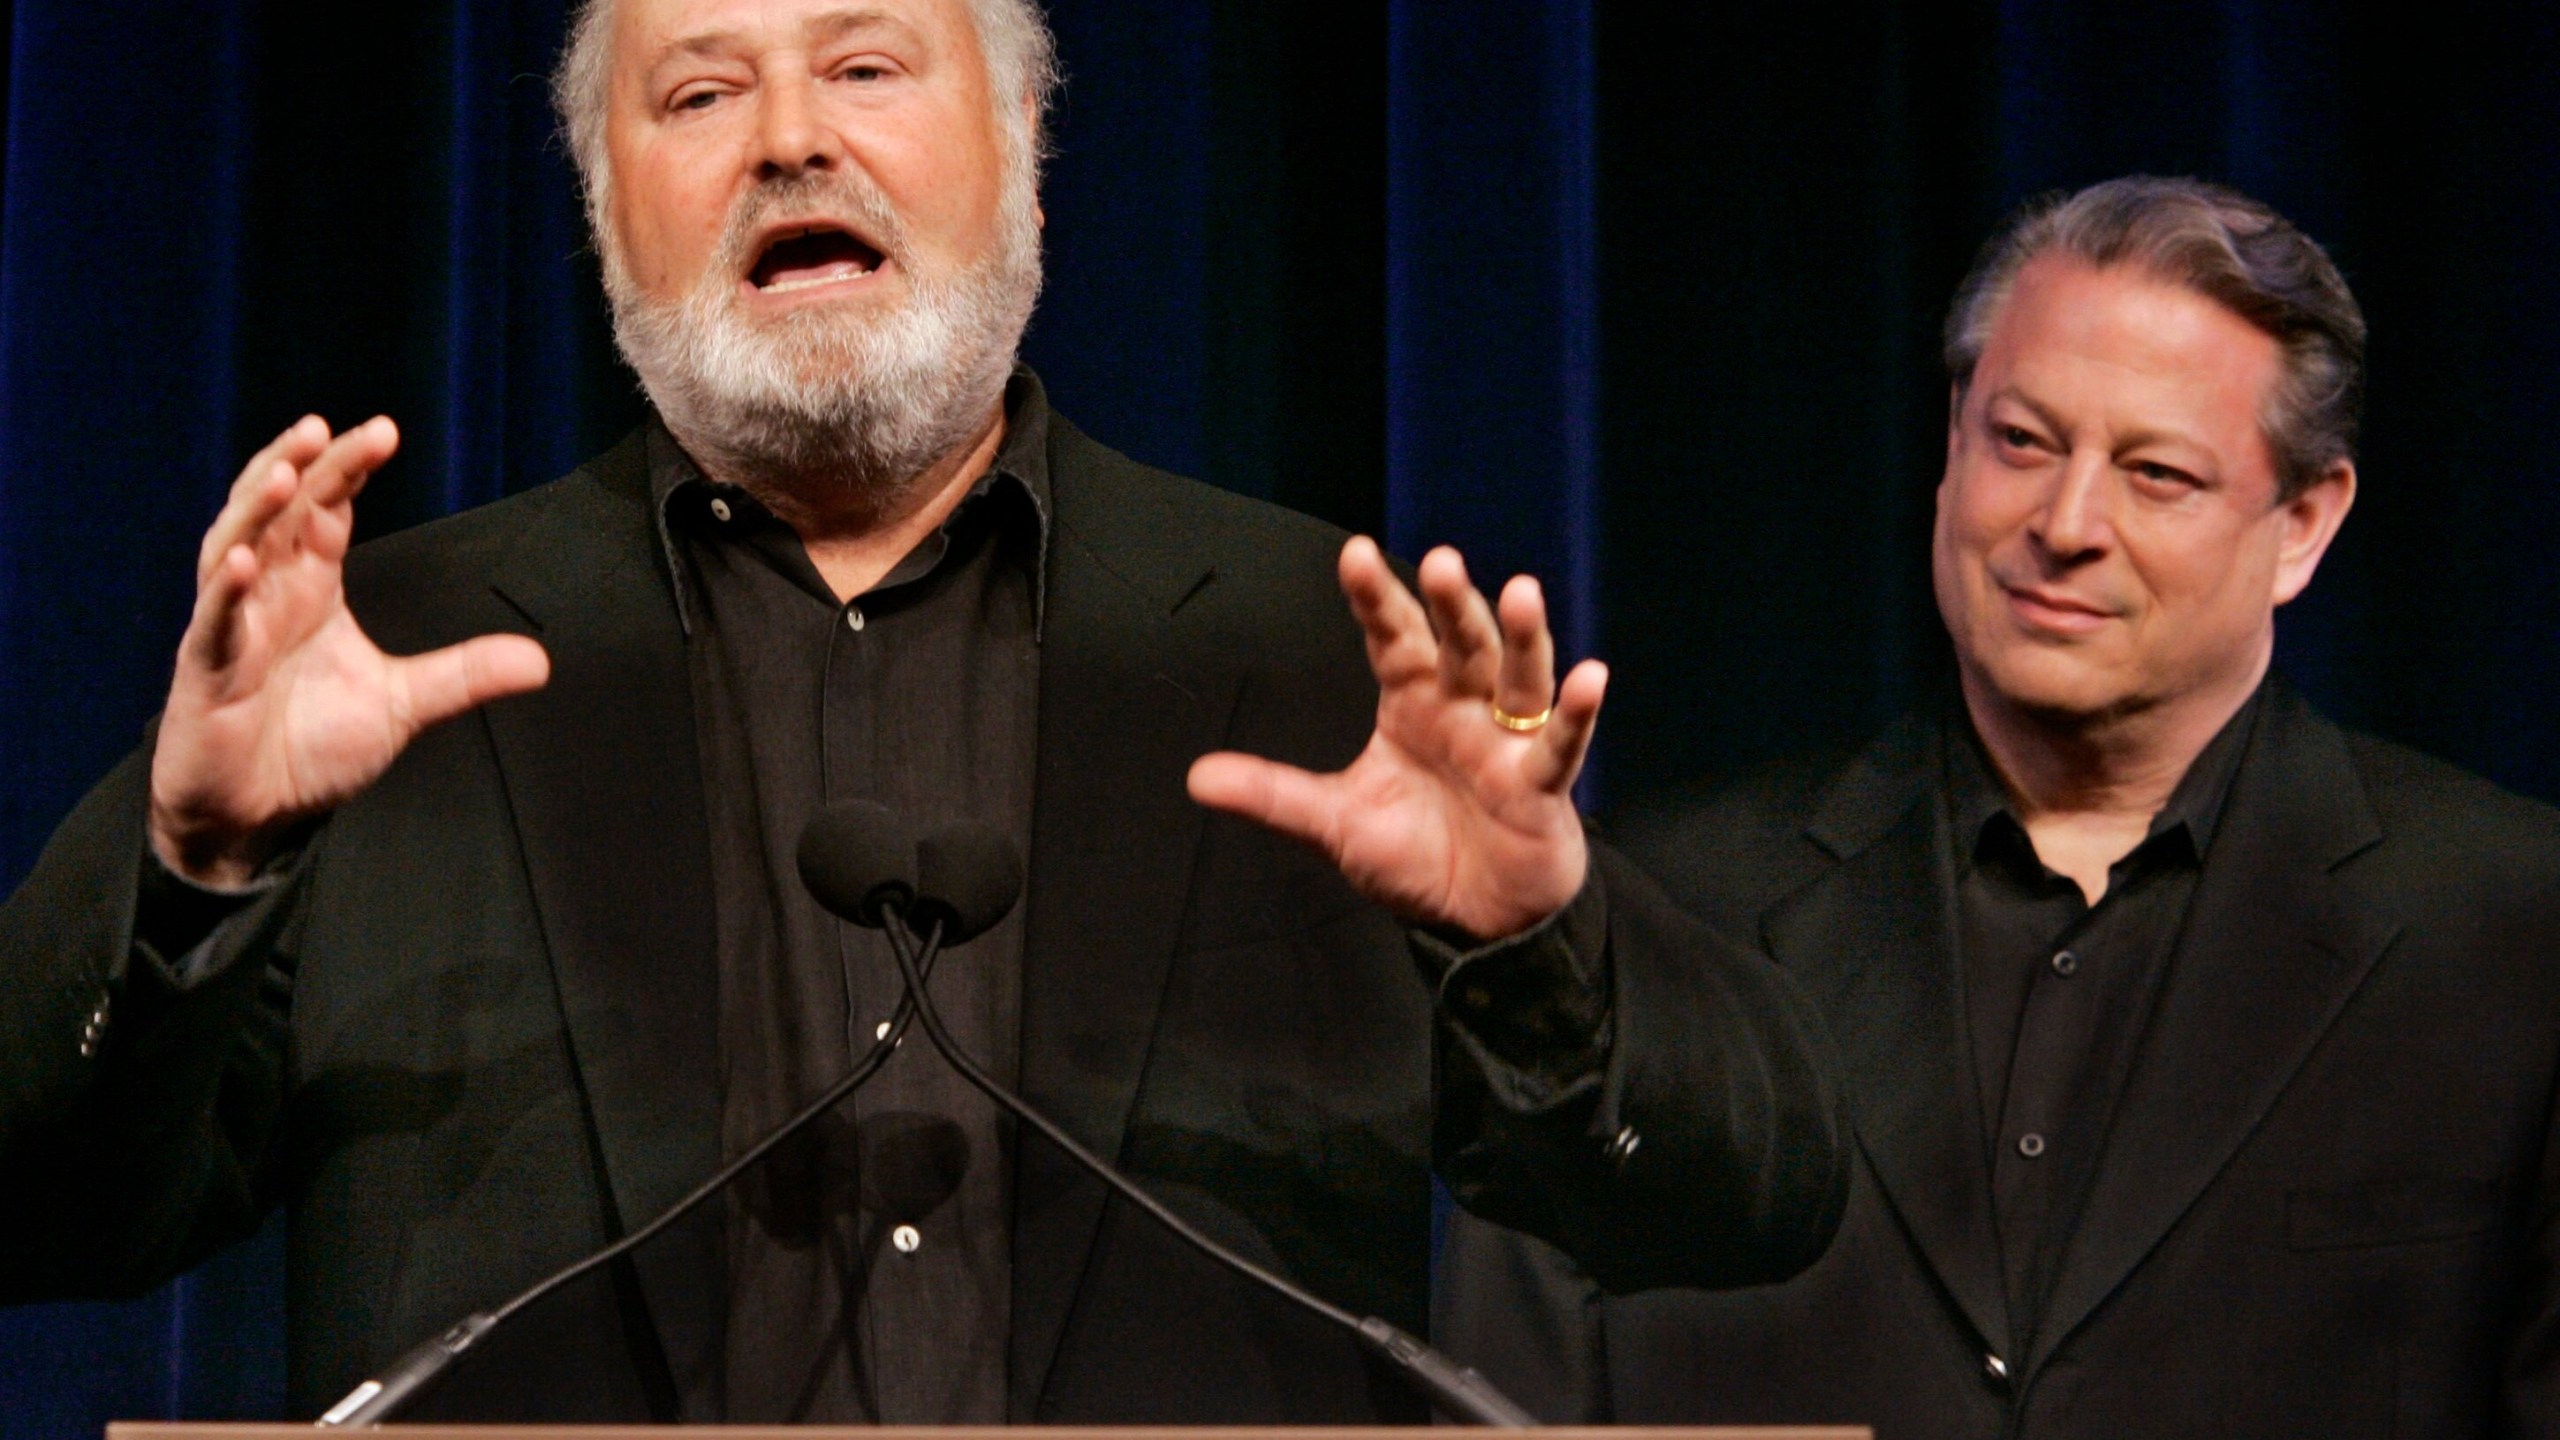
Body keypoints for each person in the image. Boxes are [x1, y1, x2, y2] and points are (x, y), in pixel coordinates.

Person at [0, 0, 1845, 1424]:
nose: (791, 137)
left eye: (867, 65)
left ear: (1023, 139)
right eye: (701, 93)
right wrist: (196, 870)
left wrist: (1533, 941)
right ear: (600, 205)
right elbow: (41, 1210)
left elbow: (1743, 1201)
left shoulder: (1312, 653)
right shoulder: (384, 667)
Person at [1439, 175, 2560, 1437]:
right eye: (2021, 442)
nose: (2065, 524)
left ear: (2301, 524)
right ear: (1951, 442)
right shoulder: (1664, 911)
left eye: (2157, 474)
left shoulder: (2513, 934)